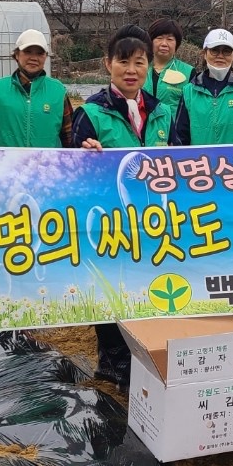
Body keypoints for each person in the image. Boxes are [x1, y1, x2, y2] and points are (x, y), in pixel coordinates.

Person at [73, 24, 173, 388]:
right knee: (110, 287)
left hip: (152, 222)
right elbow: (71, 170)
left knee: (145, 287)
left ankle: (139, 355)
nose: (131, 70)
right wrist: (84, 154)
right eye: (123, 61)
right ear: (108, 64)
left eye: (139, 62)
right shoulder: (91, 113)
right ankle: (114, 361)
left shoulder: (162, 113)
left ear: (149, 66)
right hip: (109, 224)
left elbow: (179, 161)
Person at [0, 29, 73, 147]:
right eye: (28, 52)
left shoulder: (58, 91)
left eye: (40, 53)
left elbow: (70, 140)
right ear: (17, 55)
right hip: (9, 159)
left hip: (47, 160)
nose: (34, 58)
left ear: (45, 57)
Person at [170, 28, 233, 145]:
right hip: (200, 157)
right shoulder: (189, 91)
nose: (220, 56)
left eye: (226, 51)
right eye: (214, 50)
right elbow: (180, 136)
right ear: (204, 54)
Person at [143, 18, 194, 111]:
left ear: (176, 44)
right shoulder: (140, 68)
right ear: (151, 41)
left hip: (173, 121)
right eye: (159, 38)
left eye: (170, 39)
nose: (164, 44)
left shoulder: (189, 72)